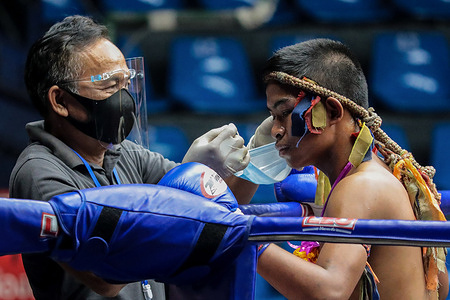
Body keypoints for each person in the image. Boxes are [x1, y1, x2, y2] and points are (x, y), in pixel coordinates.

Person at [8, 15, 254, 300]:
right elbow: (104, 277)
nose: (124, 98)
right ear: (61, 101)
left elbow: (217, 214)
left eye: (126, 83)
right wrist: (183, 183)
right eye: (110, 86)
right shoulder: (39, 172)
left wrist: (252, 164)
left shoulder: (123, 153)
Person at [256, 38, 449, 299]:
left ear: (333, 112)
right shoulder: (384, 174)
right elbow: (439, 284)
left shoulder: (360, 186)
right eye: (272, 116)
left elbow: (329, 291)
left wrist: (247, 238)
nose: (276, 130)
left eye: (284, 113)